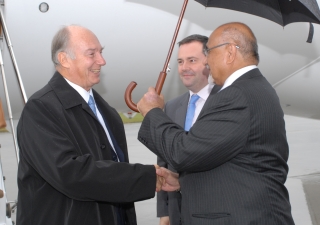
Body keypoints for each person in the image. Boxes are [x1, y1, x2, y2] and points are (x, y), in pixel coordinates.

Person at [137, 22, 295, 225]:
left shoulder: (236, 95)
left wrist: (153, 112)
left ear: (230, 52)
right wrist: (183, 181)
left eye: (209, 52)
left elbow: (183, 152)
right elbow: (230, 161)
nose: (207, 63)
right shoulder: (255, 88)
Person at [16, 24, 172, 225]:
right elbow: (71, 174)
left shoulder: (107, 112)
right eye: (92, 54)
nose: (102, 61)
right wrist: (148, 177)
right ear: (64, 59)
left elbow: (114, 174)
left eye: (101, 52)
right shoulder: (40, 109)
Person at [157, 34, 220, 225]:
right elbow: (163, 162)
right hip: (179, 214)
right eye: (180, 61)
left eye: (192, 60)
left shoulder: (225, 102)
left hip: (215, 212)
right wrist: (165, 213)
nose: (184, 68)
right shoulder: (172, 107)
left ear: (209, 61)